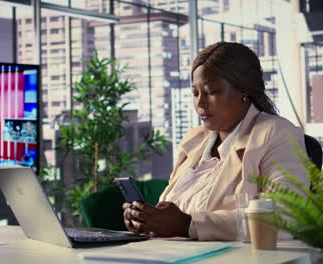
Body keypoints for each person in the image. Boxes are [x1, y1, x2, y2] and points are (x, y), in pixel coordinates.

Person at [122, 42, 308, 241]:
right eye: (195, 93)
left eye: (211, 92)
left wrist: (188, 225)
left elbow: (287, 216)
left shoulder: (277, 134)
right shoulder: (194, 141)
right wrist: (148, 220)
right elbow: (169, 214)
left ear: (243, 91)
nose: (200, 103)